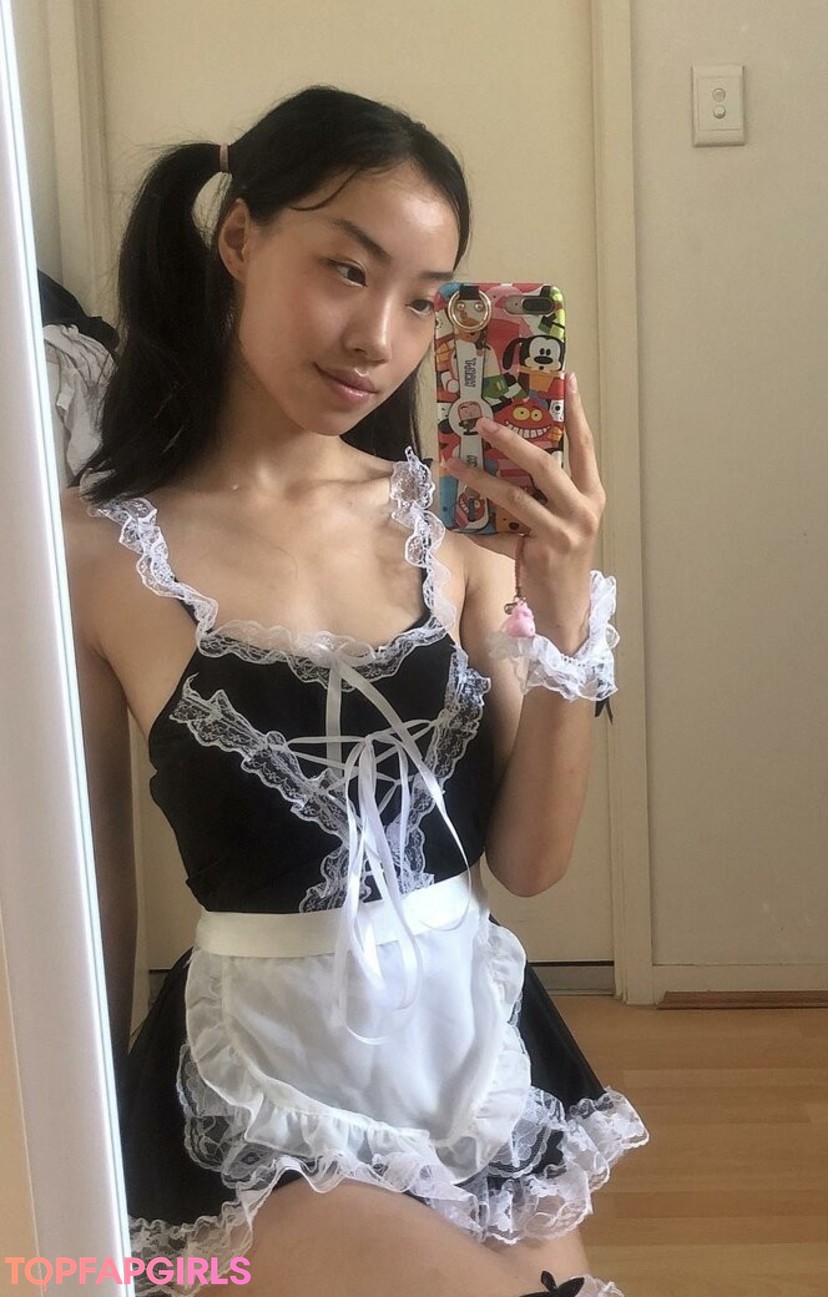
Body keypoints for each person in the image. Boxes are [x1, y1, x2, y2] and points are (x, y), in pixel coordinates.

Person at [61, 85, 647, 1297]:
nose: (379, 336)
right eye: (345, 269)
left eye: (424, 300)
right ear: (239, 237)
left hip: (471, 1051)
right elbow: (91, 896)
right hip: (256, 1093)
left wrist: (565, 607)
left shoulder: (454, 528)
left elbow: (530, 860)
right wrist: (76, 1161)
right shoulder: (99, 556)